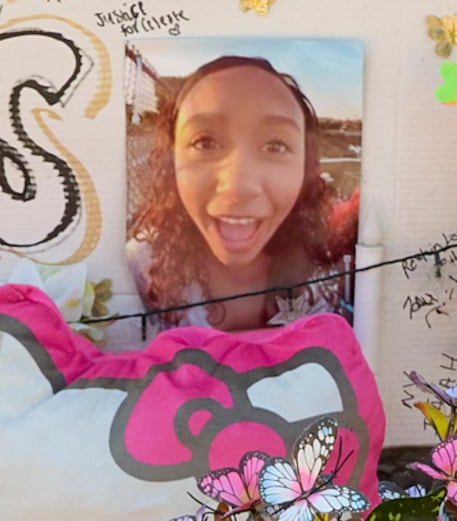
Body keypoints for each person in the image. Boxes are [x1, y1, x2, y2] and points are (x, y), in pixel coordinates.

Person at [125, 53, 352, 333]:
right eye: (205, 142)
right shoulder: (139, 268)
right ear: (171, 161)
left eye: (276, 146)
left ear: (305, 168)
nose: (237, 188)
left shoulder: (323, 270)